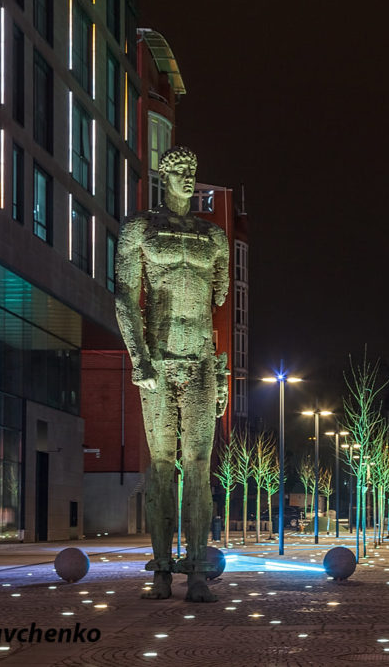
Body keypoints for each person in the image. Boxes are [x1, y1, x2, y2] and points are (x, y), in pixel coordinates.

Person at [115, 146, 228, 602]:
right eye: (179, 172)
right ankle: (161, 570)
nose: (187, 180)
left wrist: (220, 374)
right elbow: (124, 295)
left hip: (200, 360)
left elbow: (219, 298)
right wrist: (138, 357)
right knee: (161, 466)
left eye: (192, 173)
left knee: (199, 468)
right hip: (158, 361)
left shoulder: (213, 237)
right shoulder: (140, 228)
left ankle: (197, 570)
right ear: (164, 177)